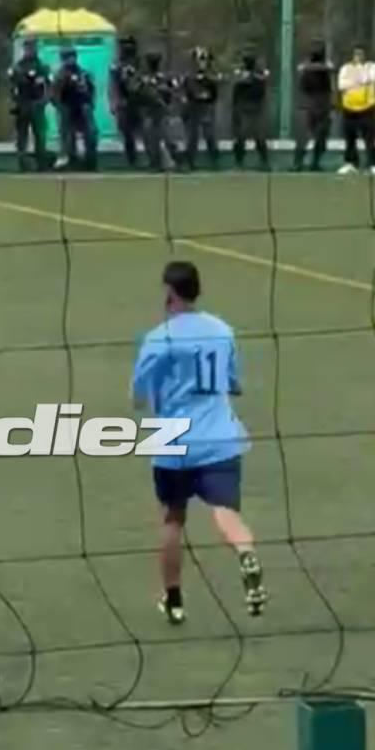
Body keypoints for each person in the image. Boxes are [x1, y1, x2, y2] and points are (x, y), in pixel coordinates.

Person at [131, 261, 268, 624]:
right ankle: (245, 551)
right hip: (220, 438)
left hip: (175, 443)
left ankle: (174, 600)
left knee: (172, 518)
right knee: (226, 510)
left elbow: (138, 396)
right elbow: (234, 383)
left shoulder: (160, 338)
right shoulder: (222, 331)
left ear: (169, 292)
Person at [337, 44, 375, 175]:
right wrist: (357, 81)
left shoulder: (372, 67)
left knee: (369, 138)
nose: (358, 56)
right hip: (349, 107)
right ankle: (351, 163)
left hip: (367, 108)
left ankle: (372, 164)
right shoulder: (345, 68)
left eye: (361, 54)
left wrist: (355, 79)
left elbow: (368, 78)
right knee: (350, 138)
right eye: (356, 54)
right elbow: (341, 85)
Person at [52, 47, 98, 171]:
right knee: (68, 137)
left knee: (91, 134)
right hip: (66, 107)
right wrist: (59, 106)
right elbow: (55, 93)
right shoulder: (59, 75)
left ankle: (90, 162)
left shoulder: (83, 73)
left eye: (72, 56)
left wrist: (90, 103)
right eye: (67, 57)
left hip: (82, 107)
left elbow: (91, 90)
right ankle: (71, 161)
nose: (70, 59)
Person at [9, 38, 50, 172]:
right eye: (28, 47)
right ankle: (23, 164)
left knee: (40, 135)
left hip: (37, 103)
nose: (31, 50)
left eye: (33, 47)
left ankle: (41, 164)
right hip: (22, 104)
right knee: (22, 136)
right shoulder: (18, 67)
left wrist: (45, 100)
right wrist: (14, 102)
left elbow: (49, 85)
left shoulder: (42, 67)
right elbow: (12, 86)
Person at [293, 40, 334, 172]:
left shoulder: (326, 66)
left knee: (321, 136)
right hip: (308, 102)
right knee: (303, 136)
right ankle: (298, 162)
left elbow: (329, 69)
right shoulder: (305, 65)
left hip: (323, 102)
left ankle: (315, 162)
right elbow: (302, 69)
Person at [181, 46, 221, 170]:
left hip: (206, 108)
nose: (201, 63)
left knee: (210, 135)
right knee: (192, 137)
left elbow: (214, 93)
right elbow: (187, 92)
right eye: (199, 59)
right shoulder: (188, 77)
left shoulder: (211, 76)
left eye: (204, 59)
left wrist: (206, 92)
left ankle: (215, 161)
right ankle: (189, 162)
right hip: (193, 109)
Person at [139, 50, 178, 172]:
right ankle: (154, 162)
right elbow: (136, 90)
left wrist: (162, 91)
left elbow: (174, 89)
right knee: (150, 139)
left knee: (167, 137)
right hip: (149, 111)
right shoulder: (144, 78)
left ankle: (172, 160)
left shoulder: (165, 77)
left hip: (163, 110)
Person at [231, 50, 270, 170]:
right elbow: (239, 84)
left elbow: (262, 80)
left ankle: (264, 162)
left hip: (256, 107)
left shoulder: (258, 74)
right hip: (244, 108)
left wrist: (253, 75)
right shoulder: (241, 75)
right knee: (241, 136)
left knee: (259, 137)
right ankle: (239, 162)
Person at [109, 36, 144, 168]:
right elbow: (113, 85)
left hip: (140, 101)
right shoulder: (117, 65)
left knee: (146, 131)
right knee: (128, 133)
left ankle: (154, 158)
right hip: (124, 103)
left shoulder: (140, 63)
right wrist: (114, 102)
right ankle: (132, 160)